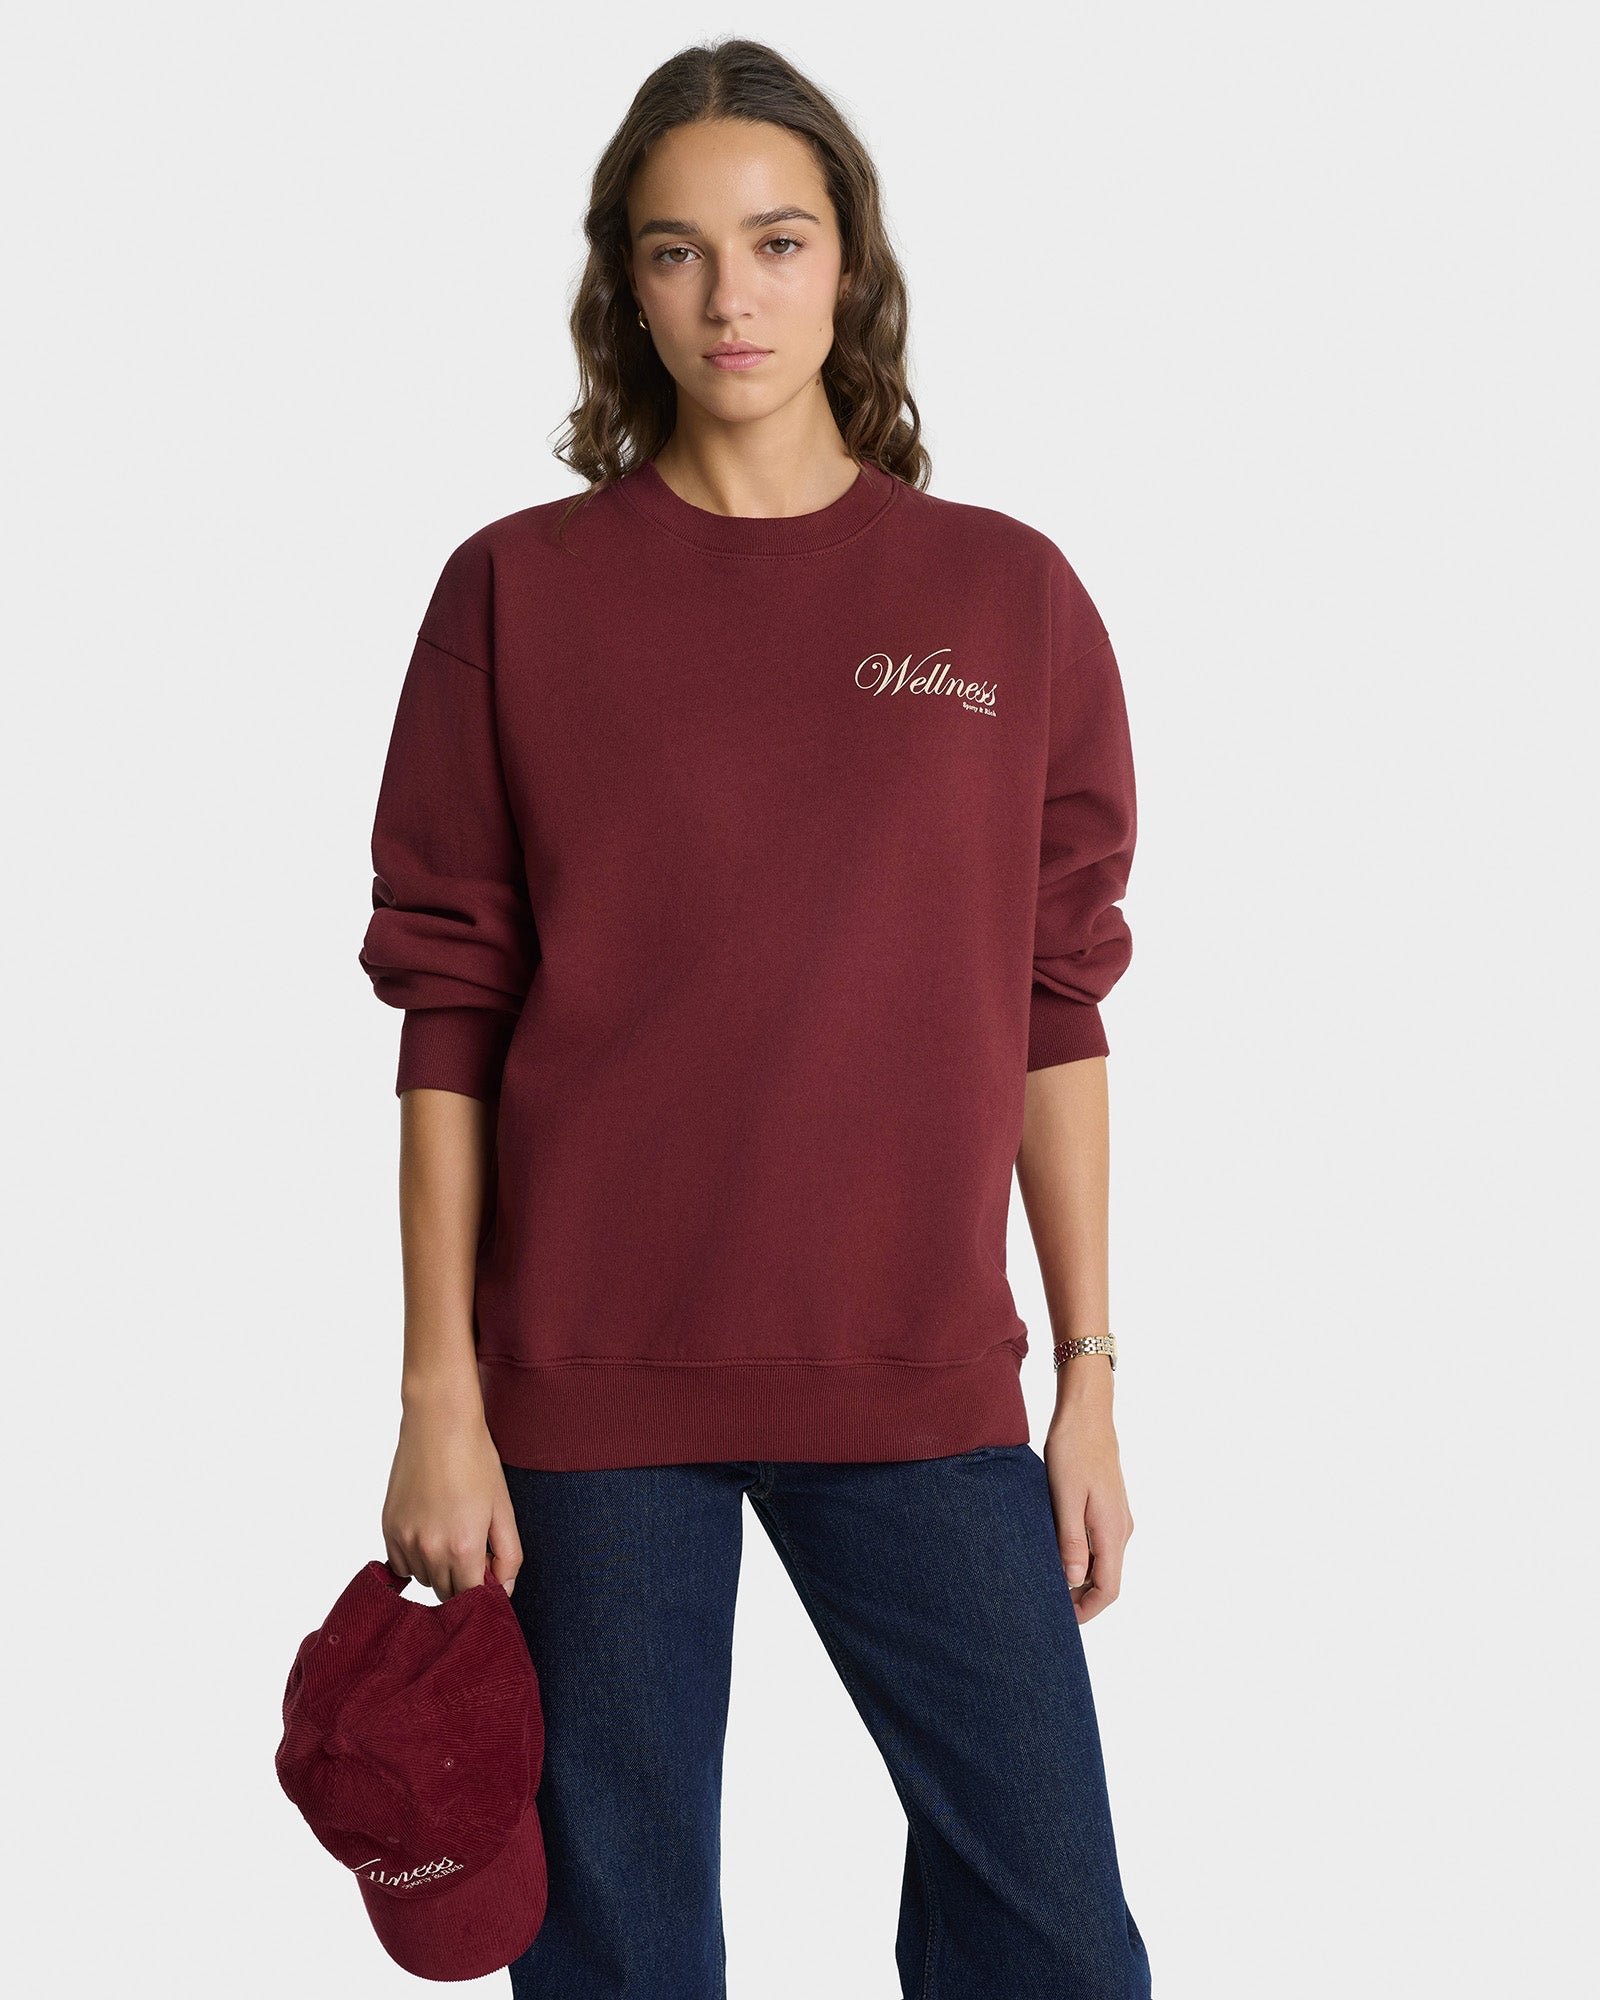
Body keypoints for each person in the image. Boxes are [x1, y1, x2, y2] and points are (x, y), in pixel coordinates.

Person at [358, 36, 1152, 2000]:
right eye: (678, 250)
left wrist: (1087, 1374)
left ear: (848, 263)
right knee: (619, 1960)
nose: (732, 296)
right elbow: (450, 1015)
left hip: (915, 1375)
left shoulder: (1004, 598)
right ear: (622, 286)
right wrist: (438, 1393)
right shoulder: (514, 595)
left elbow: (1053, 998)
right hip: (586, 1390)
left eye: (778, 242)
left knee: (1056, 1944)